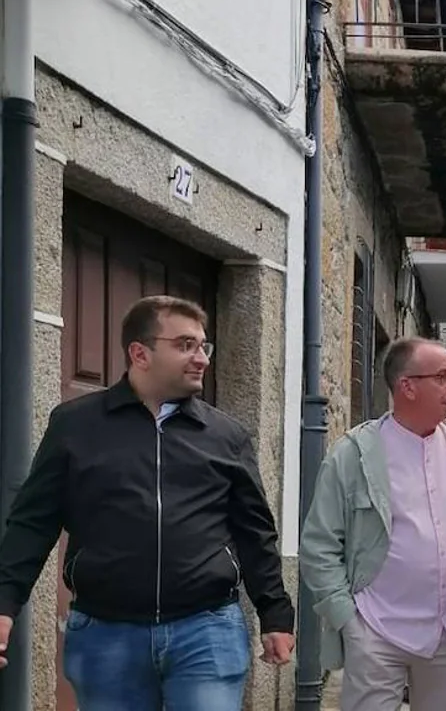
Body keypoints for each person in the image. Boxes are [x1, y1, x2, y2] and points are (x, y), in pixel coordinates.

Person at [0, 295, 295, 708]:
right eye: (185, 345)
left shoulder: (226, 436)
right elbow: (33, 523)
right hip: (106, 635)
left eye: (203, 346)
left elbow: (255, 531)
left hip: (205, 631)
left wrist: (275, 613)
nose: (201, 359)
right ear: (140, 353)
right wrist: (5, 604)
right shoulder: (75, 426)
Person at [299, 338, 446, 711]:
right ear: (407, 386)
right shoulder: (353, 453)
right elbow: (319, 544)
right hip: (376, 628)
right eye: (443, 377)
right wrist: (348, 620)